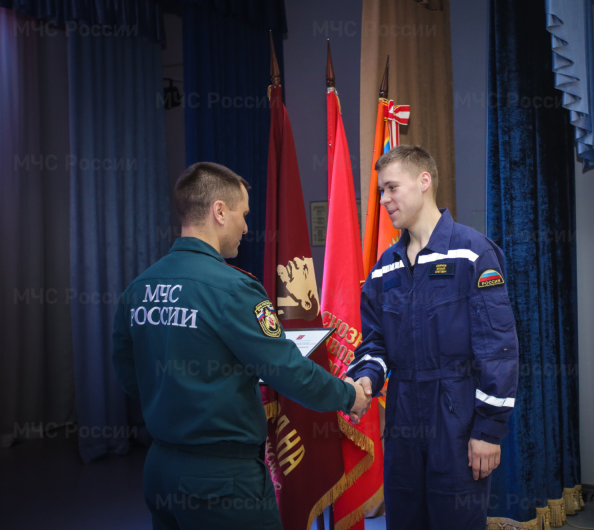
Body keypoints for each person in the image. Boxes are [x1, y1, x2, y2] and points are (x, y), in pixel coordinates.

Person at [112, 162, 370, 530]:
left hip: (160, 470)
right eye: (243, 214)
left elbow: (129, 377)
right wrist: (349, 396)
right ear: (219, 211)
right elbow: (288, 371)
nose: (247, 227)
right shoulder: (233, 290)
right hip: (222, 480)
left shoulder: (138, 288)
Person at [347, 145, 519, 529]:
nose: (384, 199)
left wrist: (489, 430)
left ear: (424, 181)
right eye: (380, 192)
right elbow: (374, 344)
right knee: (405, 518)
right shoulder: (383, 270)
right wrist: (364, 380)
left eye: (391, 188)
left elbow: (498, 348)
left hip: (455, 416)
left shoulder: (472, 253)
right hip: (403, 415)